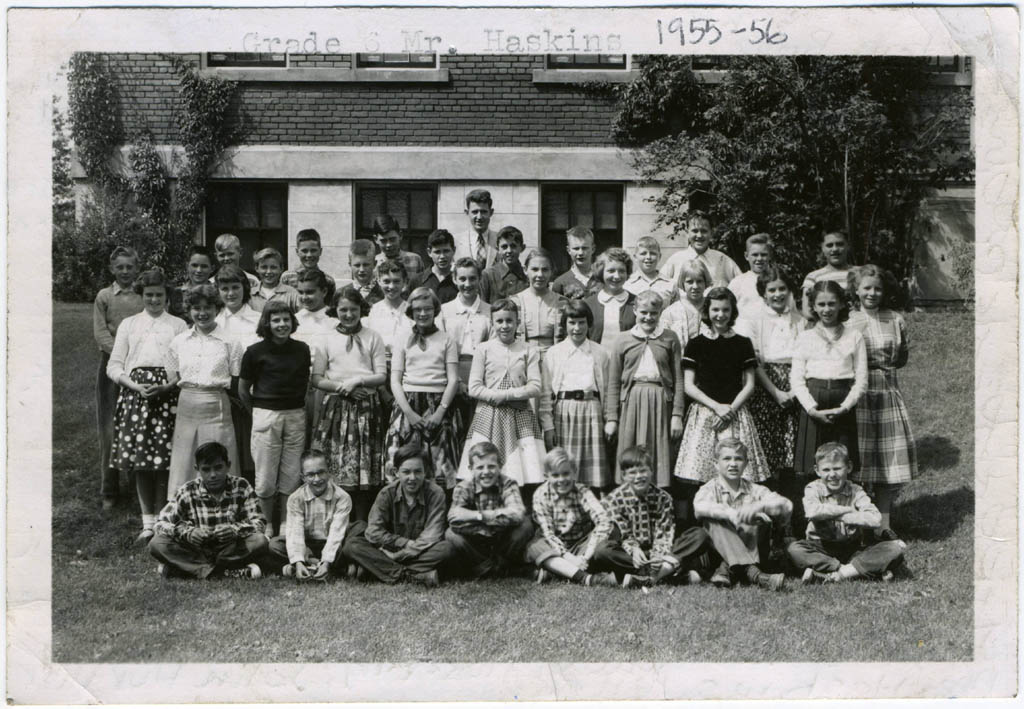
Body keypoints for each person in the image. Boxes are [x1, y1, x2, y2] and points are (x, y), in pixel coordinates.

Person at [672, 287, 771, 515]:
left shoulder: (742, 343)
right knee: (701, 474)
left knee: (734, 470)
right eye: (715, 309)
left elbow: (749, 384)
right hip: (705, 413)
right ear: (707, 311)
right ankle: (703, 524)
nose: (720, 315)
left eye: (726, 310)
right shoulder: (696, 343)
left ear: (732, 311)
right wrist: (717, 407)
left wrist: (730, 410)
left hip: (735, 414)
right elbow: (689, 385)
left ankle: (736, 520)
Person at [107, 267, 187, 540]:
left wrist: (167, 386)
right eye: (149, 295)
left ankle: (163, 517)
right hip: (136, 395)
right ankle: (147, 522)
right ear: (142, 295)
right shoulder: (129, 324)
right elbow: (114, 365)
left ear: (167, 296)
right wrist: (134, 386)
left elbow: (184, 366)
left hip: (168, 396)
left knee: (165, 459)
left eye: (159, 295)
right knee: (142, 460)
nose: (154, 300)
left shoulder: (178, 325)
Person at [846, 264, 917, 542]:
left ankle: (883, 525)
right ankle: (859, 523)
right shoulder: (848, 320)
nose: (872, 293)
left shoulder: (895, 319)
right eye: (866, 288)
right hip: (858, 394)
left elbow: (902, 356)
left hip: (886, 393)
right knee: (860, 460)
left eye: (877, 288)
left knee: (887, 460)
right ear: (856, 290)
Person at [312, 285, 388, 523]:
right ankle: (337, 520)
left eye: (353, 309)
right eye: (343, 310)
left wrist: (358, 381)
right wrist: (342, 388)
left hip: (366, 407)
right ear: (335, 310)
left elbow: (381, 375)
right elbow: (317, 378)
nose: (348, 314)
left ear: (361, 309)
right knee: (337, 461)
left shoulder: (372, 336)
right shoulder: (327, 338)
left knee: (363, 463)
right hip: (336, 408)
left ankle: (361, 521)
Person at [238, 300, 311, 538]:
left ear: (292, 321)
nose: (282, 324)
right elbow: (243, 389)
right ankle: (266, 524)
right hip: (266, 415)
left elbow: (304, 384)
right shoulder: (254, 352)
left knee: (291, 473)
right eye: (276, 320)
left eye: (286, 319)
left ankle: (286, 525)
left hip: (295, 415)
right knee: (265, 476)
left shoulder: (302, 349)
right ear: (267, 323)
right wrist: (258, 412)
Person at [166, 284, 243, 501]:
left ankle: (225, 507)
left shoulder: (230, 341)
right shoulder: (179, 341)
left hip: (216, 407)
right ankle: (184, 507)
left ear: (217, 308)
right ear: (188, 310)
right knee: (185, 459)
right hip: (187, 406)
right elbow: (175, 374)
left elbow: (236, 377)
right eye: (196, 308)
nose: (202, 313)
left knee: (217, 456)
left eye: (208, 307)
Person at [598, 446, 715, 588]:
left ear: (651, 471)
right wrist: (634, 550)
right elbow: (624, 533)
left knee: (700, 534)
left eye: (643, 471)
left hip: (661, 552)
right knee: (602, 550)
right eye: (632, 473)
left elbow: (664, 533)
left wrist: (658, 557)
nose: (638, 477)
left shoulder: (663, 498)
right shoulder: (614, 500)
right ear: (623, 475)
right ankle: (672, 575)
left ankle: (651, 576)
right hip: (630, 555)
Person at [788, 442, 905, 584]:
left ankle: (837, 574)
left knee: (894, 549)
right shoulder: (813, 488)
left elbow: (875, 519)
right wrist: (846, 511)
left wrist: (845, 517)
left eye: (837, 468)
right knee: (794, 550)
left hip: (852, 548)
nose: (832, 475)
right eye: (826, 470)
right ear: (817, 470)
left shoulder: (856, 491)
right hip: (820, 547)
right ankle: (856, 571)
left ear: (848, 467)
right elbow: (812, 511)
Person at [457, 298, 545, 487]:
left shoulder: (528, 349)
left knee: (522, 469)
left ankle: (518, 499)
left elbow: (535, 386)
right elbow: (474, 387)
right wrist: (495, 397)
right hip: (490, 414)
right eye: (499, 321)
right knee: (486, 464)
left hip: (520, 414)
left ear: (517, 322)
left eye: (509, 320)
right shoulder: (483, 349)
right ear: (492, 323)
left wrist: (505, 395)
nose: (505, 326)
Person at [149, 442, 269, 580]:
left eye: (218, 468)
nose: (213, 475)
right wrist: (188, 532)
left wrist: (234, 530)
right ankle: (223, 572)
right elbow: (160, 524)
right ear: (197, 469)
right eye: (206, 469)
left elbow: (260, 522)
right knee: (157, 543)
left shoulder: (241, 486)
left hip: (229, 549)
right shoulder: (187, 491)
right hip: (196, 549)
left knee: (260, 541)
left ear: (228, 465)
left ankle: (188, 570)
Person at [341, 443, 455, 586]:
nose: (412, 478)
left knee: (447, 549)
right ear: (396, 472)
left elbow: (432, 535)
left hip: (419, 551)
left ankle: (376, 570)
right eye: (406, 472)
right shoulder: (386, 493)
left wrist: (398, 556)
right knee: (352, 545)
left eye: (418, 472)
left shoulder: (435, 493)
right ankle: (410, 576)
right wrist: (403, 543)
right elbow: (373, 532)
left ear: (425, 472)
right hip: (388, 550)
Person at [383, 287, 462, 490]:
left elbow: (453, 379)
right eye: (418, 309)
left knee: (441, 460)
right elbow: (395, 381)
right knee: (402, 457)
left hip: (439, 403)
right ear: (411, 311)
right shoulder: (402, 338)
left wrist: (440, 412)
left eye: (428, 308)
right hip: (408, 403)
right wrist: (409, 414)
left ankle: (439, 504)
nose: (423, 313)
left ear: (435, 310)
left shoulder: (446, 339)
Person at [605, 290, 685, 488]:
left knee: (658, 452)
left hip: (661, 401)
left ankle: (657, 497)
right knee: (631, 452)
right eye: (643, 312)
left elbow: (678, 380)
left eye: (653, 313)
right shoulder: (623, 339)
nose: (648, 317)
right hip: (631, 401)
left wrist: (677, 415)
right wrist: (612, 418)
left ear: (660, 313)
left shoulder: (670, 338)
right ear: (635, 311)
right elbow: (613, 382)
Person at [791, 279, 868, 482]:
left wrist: (845, 407)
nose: (827, 309)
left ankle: (845, 501)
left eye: (832, 303)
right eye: (821, 304)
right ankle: (813, 501)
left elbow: (861, 379)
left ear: (841, 304)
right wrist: (811, 409)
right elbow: (797, 379)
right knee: (813, 465)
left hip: (842, 402)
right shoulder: (805, 337)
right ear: (814, 306)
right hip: (814, 401)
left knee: (842, 462)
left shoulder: (854, 336)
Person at [693, 438, 791, 590]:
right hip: (717, 553)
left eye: (738, 459)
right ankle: (755, 574)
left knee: (756, 518)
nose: (733, 464)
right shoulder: (708, 489)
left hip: (755, 548)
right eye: (727, 458)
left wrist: (758, 507)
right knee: (713, 520)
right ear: (716, 463)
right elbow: (699, 508)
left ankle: (726, 570)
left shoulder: (755, 489)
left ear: (746, 463)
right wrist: (734, 514)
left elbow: (786, 505)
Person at [747, 266, 806, 516]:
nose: (778, 294)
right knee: (767, 453)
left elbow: (806, 358)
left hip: (795, 387)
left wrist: (794, 391)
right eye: (772, 290)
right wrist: (775, 392)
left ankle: (790, 517)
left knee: (790, 454)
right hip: (766, 388)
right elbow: (754, 362)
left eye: (782, 289)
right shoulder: (754, 320)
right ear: (764, 292)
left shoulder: (801, 321)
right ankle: (767, 515)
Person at [540, 300, 612, 493]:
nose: (577, 328)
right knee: (564, 465)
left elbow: (607, 390)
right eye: (572, 323)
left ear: (589, 324)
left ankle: (591, 504)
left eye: (582, 322)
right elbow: (546, 393)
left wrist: (608, 419)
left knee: (592, 473)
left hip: (592, 412)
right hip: (564, 413)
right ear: (565, 325)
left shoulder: (600, 353)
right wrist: (548, 426)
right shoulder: (554, 353)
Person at [93, 245, 143, 509]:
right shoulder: (104, 296)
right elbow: (101, 333)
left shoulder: (142, 295)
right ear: (112, 269)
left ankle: (138, 487)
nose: (125, 271)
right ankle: (109, 489)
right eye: (120, 267)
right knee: (110, 429)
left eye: (129, 267)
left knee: (138, 426)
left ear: (137, 268)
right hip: (111, 367)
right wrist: (121, 355)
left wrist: (136, 357)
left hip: (140, 366)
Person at [527, 448, 617, 586]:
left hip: (581, 545)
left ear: (574, 472)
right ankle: (585, 578)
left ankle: (555, 571)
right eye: (555, 475)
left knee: (611, 531)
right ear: (546, 476)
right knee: (535, 546)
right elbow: (548, 533)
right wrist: (569, 558)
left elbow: (603, 520)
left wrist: (586, 556)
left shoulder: (582, 492)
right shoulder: (541, 495)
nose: (561, 479)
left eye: (566, 473)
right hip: (554, 546)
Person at [446, 441, 534, 579]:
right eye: (480, 467)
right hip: (476, 541)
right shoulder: (463, 487)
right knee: (451, 534)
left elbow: (517, 513)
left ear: (500, 466)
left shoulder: (508, 483)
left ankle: (489, 569)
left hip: (502, 538)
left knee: (525, 525)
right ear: (471, 469)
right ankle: (497, 569)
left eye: (491, 466)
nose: (486, 472)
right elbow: (453, 519)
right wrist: (488, 520)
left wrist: (478, 516)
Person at [268, 450, 353, 580]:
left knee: (350, 546)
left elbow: (336, 534)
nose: (317, 479)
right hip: (307, 545)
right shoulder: (295, 499)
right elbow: (295, 532)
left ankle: (316, 566)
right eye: (311, 475)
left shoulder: (342, 497)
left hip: (332, 544)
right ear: (303, 477)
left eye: (321, 472)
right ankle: (319, 567)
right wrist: (298, 561)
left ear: (329, 472)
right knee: (275, 544)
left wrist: (326, 562)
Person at [213, 264, 262, 486]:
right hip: (223, 393)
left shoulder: (258, 320)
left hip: (252, 391)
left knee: (251, 447)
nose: (230, 293)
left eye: (235, 287)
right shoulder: (214, 322)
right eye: (225, 288)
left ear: (245, 288)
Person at [439, 257, 491, 450]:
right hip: (452, 375)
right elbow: (440, 350)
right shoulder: (444, 312)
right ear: (454, 279)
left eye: (472, 278)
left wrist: (479, 383)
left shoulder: (490, 311)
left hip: (482, 375)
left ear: (479, 279)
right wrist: (457, 382)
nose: (467, 284)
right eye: (462, 279)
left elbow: (493, 350)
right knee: (454, 432)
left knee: (478, 432)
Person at [292, 267, 339, 442]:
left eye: (310, 292)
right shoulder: (294, 320)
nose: (305, 297)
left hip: (326, 384)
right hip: (299, 385)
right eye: (301, 292)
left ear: (324, 291)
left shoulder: (334, 321)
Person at [510, 248, 567, 360]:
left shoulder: (563, 303)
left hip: (554, 360)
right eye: (535, 269)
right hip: (524, 360)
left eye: (545, 270)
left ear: (551, 271)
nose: (540, 274)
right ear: (525, 270)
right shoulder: (515, 302)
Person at [659, 211, 741, 288]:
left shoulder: (723, 261)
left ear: (711, 233)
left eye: (704, 231)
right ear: (687, 233)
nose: (699, 235)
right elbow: (659, 287)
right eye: (695, 231)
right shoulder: (675, 260)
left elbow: (741, 286)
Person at [362, 259, 412, 376]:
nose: (391, 286)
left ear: (404, 282)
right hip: (377, 369)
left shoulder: (412, 311)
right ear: (378, 281)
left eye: (396, 281)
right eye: (386, 281)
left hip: (407, 369)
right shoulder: (372, 312)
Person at [583, 247, 637, 347]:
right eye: (611, 271)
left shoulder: (636, 303)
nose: (617, 276)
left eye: (622, 271)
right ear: (601, 272)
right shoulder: (588, 304)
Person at [728, 233, 777, 335]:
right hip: (746, 337)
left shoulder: (778, 281)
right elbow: (727, 313)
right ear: (746, 256)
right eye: (755, 255)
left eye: (763, 255)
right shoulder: (737, 283)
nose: (759, 259)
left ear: (770, 256)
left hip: (773, 335)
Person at [659, 258, 713, 351]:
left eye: (699, 281)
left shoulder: (713, 308)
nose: (695, 286)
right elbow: (663, 345)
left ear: (705, 282)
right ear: (682, 283)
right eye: (690, 282)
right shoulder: (670, 312)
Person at [800, 230, 854, 318]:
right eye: (829, 245)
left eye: (840, 244)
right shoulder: (813, 277)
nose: (835, 249)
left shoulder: (859, 273)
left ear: (848, 246)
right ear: (822, 248)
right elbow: (807, 312)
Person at [281, 228, 338, 297]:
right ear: (297, 252)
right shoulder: (287, 278)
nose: (309, 255)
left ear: (320, 251)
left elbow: (330, 303)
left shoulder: (328, 281)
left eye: (313, 250)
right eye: (304, 251)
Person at [408, 229, 458, 304]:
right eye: (437, 252)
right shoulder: (417, 281)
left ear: (453, 250)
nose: (442, 256)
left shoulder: (460, 280)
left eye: (446, 251)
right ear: (429, 252)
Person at [480, 225, 529, 302]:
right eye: (504, 247)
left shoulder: (527, 276)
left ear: (522, 248)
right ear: (498, 249)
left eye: (513, 246)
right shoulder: (487, 275)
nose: (509, 251)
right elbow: (482, 305)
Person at [169, 244, 217, 321]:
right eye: (194, 265)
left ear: (212, 268)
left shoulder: (217, 293)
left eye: (204, 266)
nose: (199, 270)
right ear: (187, 266)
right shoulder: (177, 294)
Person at [552, 226, 601, 297]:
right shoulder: (560, 283)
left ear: (593, 249)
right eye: (576, 248)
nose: (580, 253)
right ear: (569, 250)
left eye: (585, 248)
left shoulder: (603, 279)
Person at [624, 236, 675, 303]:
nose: (648, 257)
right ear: (635, 257)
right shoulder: (626, 284)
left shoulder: (671, 284)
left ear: (659, 256)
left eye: (653, 253)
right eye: (643, 253)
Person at [372, 213, 424, 279]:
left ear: (400, 235)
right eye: (383, 241)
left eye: (392, 239)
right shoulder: (372, 264)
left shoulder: (415, 260)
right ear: (376, 239)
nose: (389, 245)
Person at [337, 238, 384, 306]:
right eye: (357, 265)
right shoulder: (341, 294)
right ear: (350, 265)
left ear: (374, 264)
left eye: (366, 265)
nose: (362, 269)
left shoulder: (384, 294)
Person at [250, 247, 298, 312]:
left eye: (273, 267)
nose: (269, 271)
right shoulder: (250, 294)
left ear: (281, 268)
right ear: (256, 268)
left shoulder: (292, 294)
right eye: (264, 267)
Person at [462, 188, 499, 269]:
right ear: (467, 213)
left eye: (483, 212)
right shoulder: (456, 242)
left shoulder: (500, 240)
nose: (479, 217)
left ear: (491, 212)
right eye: (475, 212)